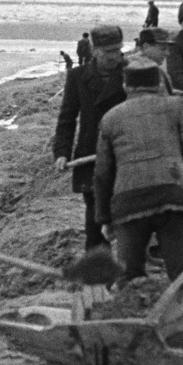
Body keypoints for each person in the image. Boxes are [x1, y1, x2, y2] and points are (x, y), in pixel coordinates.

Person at [93, 58, 183, 283]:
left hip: (128, 203)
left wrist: (105, 218)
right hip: (174, 198)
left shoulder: (110, 118)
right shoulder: (178, 106)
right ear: (158, 83)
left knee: (129, 278)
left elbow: (102, 174)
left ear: (126, 86)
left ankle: (132, 310)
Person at [53, 25, 128, 249]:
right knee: (96, 220)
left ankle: (131, 273)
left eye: (118, 50)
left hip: (124, 154)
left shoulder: (131, 73)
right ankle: (97, 275)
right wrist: (62, 152)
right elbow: (67, 117)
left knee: (129, 219)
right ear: (94, 50)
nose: (114, 56)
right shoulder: (77, 77)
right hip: (91, 155)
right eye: (108, 51)